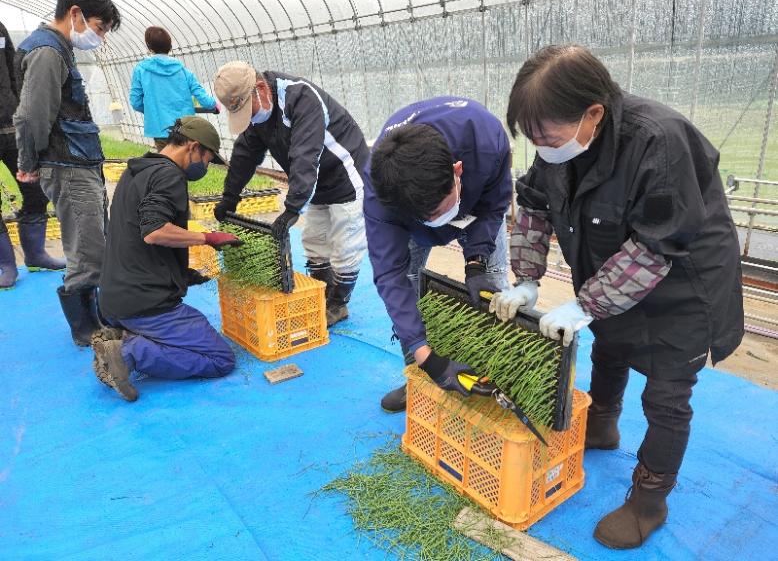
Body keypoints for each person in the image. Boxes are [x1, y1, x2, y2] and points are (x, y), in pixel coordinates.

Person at [491, 45, 744, 549]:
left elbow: (656, 247)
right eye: (533, 138)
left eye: (549, 136)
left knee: (667, 395)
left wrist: (587, 303)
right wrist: (524, 277)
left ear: (594, 114)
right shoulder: (560, 149)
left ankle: (649, 500)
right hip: (614, 270)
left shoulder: (659, 141)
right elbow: (536, 206)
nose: (543, 148)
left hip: (686, 286)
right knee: (610, 346)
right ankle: (602, 426)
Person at [366, 97, 513, 413]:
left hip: (475, 206)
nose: (437, 220)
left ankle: (498, 387)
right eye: (426, 215)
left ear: (456, 170)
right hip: (410, 222)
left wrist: (477, 261)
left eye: (439, 210)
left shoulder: (486, 140)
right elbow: (389, 272)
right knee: (407, 283)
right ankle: (422, 379)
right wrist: (426, 357)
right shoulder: (382, 191)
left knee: (496, 287)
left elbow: (494, 204)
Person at [93, 117, 241, 402]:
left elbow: (134, 235)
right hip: (144, 302)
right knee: (220, 359)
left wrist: (181, 273)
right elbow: (154, 231)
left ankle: (122, 333)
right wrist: (208, 238)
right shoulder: (170, 175)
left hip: (111, 298)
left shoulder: (137, 169)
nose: (205, 167)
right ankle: (126, 353)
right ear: (193, 147)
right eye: (207, 159)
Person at [212, 61, 369, 326]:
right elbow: (245, 154)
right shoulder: (259, 112)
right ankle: (322, 293)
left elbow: (304, 156)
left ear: (260, 89)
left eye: (247, 111)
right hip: (314, 180)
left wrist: (292, 208)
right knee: (314, 239)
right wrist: (230, 196)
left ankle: (339, 303)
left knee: (345, 241)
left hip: (344, 175)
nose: (249, 119)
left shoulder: (301, 98)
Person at [13, 0, 120, 343]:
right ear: (75, 13)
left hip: (77, 163)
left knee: (90, 242)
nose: (99, 37)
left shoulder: (60, 49)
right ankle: (87, 328)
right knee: (88, 248)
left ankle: (95, 318)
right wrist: (28, 161)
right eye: (99, 27)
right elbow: (31, 116)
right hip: (67, 166)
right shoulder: (47, 52)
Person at [0, 20, 65, 290]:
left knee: (35, 191)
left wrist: (19, 108)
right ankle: (5, 265)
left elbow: (14, 72)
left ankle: (36, 255)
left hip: (10, 126)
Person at [129, 26, 218, 151]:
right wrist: (213, 105)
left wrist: (153, 110)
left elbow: (135, 102)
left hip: (160, 129)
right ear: (170, 47)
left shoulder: (141, 70)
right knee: (185, 164)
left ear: (149, 47)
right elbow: (202, 96)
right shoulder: (183, 70)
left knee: (167, 166)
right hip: (185, 128)